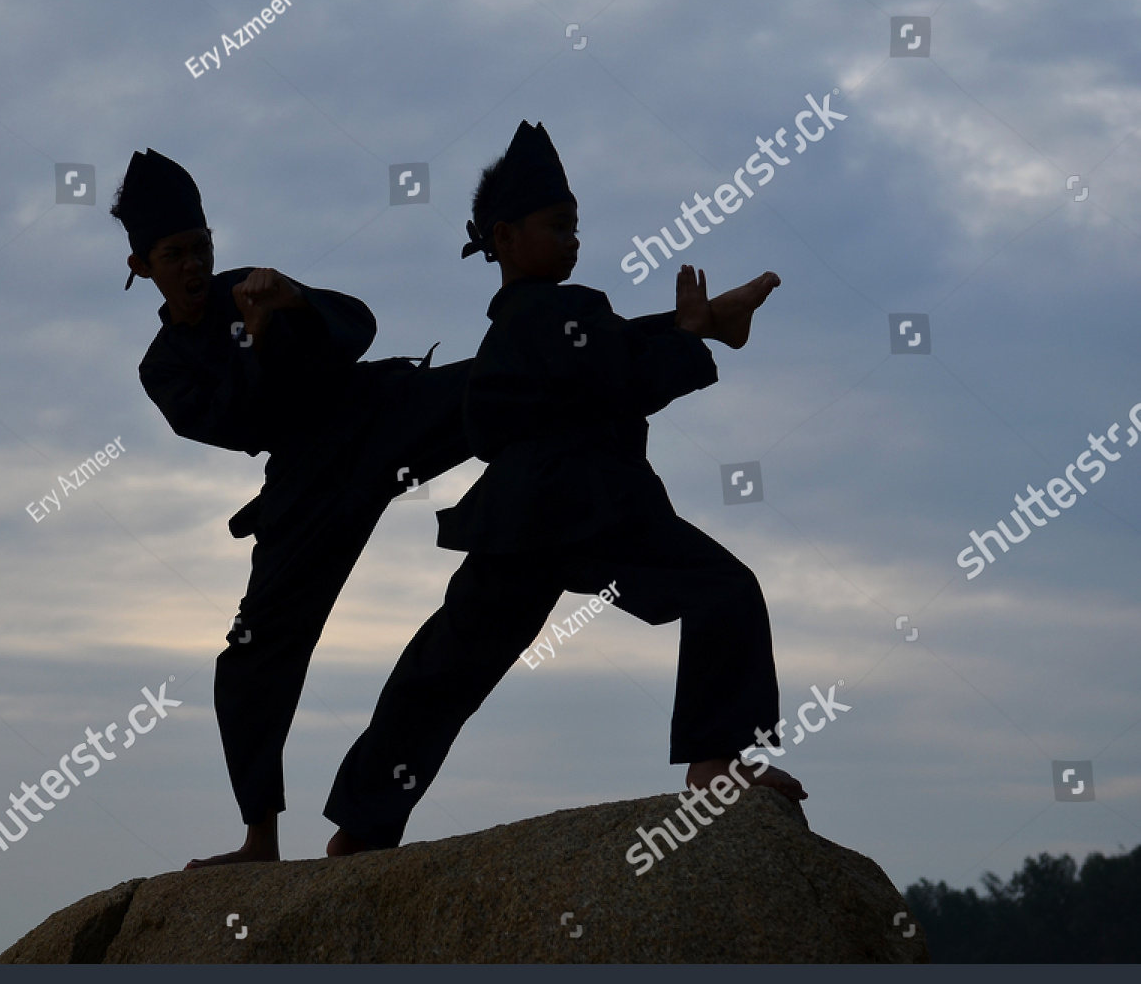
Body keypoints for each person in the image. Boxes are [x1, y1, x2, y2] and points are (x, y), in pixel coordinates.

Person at [323, 121, 805, 855]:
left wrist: (694, 330)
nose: (573, 238)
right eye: (558, 225)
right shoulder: (555, 313)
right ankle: (713, 765)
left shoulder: (536, 320)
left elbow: (599, 361)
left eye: (576, 225)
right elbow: (622, 373)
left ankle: (361, 825)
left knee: (446, 666)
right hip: (581, 507)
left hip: (522, 519)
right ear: (506, 235)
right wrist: (691, 335)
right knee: (723, 588)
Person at [111, 149, 473, 867]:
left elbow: (359, 327)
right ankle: (260, 839)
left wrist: (296, 300)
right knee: (248, 660)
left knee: (516, 380)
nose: (193, 265)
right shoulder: (163, 367)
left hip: (375, 419)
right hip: (307, 489)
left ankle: (687, 330)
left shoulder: (251, 285)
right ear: (141, 263)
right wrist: (254, 336)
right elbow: (239, 422)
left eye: (201, 247)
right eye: (174, 253)